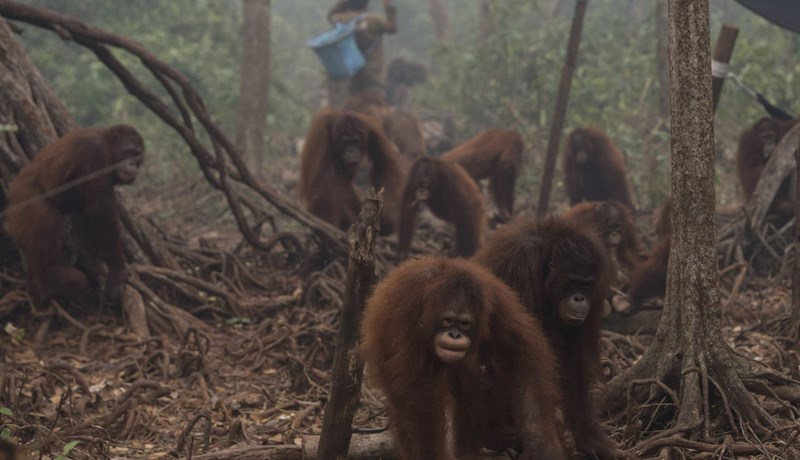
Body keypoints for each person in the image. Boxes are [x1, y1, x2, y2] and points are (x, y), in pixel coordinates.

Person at [327, 0, 397, 99]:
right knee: (376, 99)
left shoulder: (343, 20)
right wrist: (388, 6)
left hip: (353, 68)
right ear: (366, 4)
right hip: (373, 70)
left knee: (355, 100)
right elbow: (392, 28)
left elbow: (330, 17)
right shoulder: (374, 19)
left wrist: (342, 3)